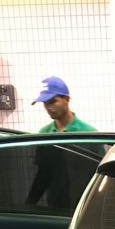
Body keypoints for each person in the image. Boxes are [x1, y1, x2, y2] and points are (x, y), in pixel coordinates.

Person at [27, 76, 97, 208]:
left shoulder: (88, 133)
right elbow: (42, 174)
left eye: (53, 101)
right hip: (55, 206)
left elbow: (99, 173)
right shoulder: (44, 134)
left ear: (67, 99)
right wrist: (30, 203)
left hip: (85, 205)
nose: (49, 107)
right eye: (45, 103)